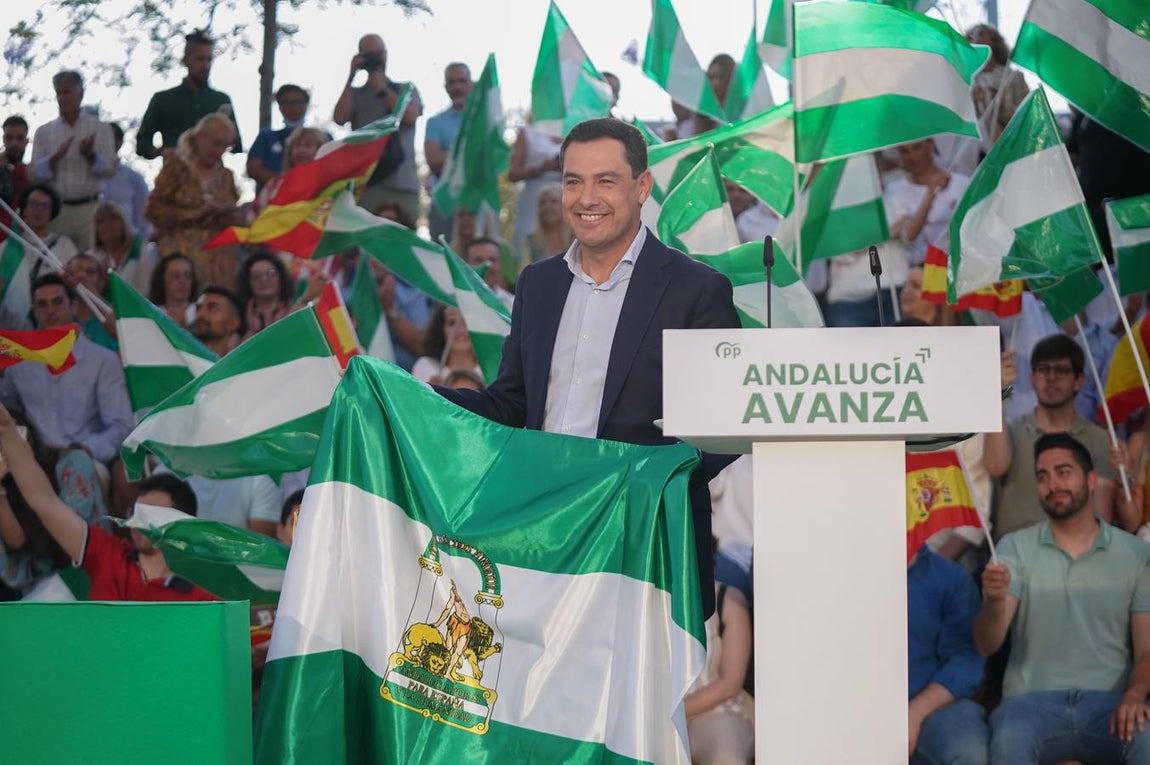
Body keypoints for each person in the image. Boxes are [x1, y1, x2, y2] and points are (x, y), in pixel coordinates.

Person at [436, 118, 741, 616]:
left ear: (641, 187)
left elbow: (724, 429)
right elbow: (510, 404)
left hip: (641, 553)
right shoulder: (537, 284)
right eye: (573, 181)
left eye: (605, 180)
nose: (586, 197)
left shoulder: (696, 290)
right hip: (539, 543)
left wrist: (641, 487)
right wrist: (411, 393)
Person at [975, 433, 1150, 765]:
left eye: (1063, 471)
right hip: (1029, 705)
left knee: (1148, 739)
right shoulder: (1014, 548)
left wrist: (1135, 694)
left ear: (1092, 479)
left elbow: (1146, 652)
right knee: (1009, 741)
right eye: (1042, 476)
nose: (1052, 483)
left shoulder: (1137, 554)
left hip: (1110, 704)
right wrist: (994, 601)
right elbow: (987, 644)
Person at [0, 408, 216, 602]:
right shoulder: (107, 554)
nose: (138, 522)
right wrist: (8, 428)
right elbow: (43, 500)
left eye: (152, 515)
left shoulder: (200, 599)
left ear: (181, 525)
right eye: (137, 512)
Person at [986, 334, 1118, 540]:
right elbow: (995, 466)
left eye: (1061, 370)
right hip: (1014, 555)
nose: (1051, 378)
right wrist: (998, 392)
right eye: (1043, 370)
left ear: (1078, 381)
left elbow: (1102, 518)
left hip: (1076, 556)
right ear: (1032, 378)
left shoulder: (1100, 439)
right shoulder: (1012, 429)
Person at [1, 274, 132, 475]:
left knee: (77, 466)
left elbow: (120, 425)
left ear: (74, 306)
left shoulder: (102, 360)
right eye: (42, 305)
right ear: (34, 311)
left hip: (87, 457)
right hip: (32, 459)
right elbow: (10, 413)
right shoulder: (20, 361)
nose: (51, 311)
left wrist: (85, 449)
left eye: (58, 302)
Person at [0, 412, 108, 598]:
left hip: (85, 574)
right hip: (35, 592)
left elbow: (74, 543)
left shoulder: (71, 464)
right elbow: (15, 567)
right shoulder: (5, 485)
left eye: (16, 433)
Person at [907, 546, 988, 764]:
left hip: (930, 708)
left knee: (968, 750)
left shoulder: (952, 579)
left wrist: (915, 712)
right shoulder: (833, 574)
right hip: (849, 708)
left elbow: (967, 658)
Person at [144, 113, 242, 290]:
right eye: (216, 143)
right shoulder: (176, 168)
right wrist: (194, 213)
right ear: (200, 137)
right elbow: (152, 210)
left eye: (225, 146)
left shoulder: (226, 176)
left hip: (220, 261)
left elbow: (236, 215)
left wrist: (227, 215)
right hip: (182, 254)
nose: (219, 151)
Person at [332, 34, 423, 220]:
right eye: (369, 54)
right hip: (368, 183)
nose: (375, 59)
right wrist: (351, 76)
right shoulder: (356, 95)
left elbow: (410, 117)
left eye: (378, 53)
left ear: (386, 55)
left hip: (402, 184)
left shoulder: (405, 89)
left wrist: (382, 90)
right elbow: (340, 118)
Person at [29, 71, 116, 251]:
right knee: (56, 265)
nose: (62, 98)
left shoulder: (101, 129)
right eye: (58, 93)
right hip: (56, 211)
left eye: (67, 92)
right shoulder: (44, 132)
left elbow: (110, 171)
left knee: (91, 264)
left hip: (90, 210)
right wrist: (55, 158)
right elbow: (34, 177)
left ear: (80, 94)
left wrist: (90, 155)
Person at [685, 565, 755, 765]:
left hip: (716, 712)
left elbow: (730, 684)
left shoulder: (726, 598)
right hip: (649, 718)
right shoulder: (640, 597)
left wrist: (672, 714)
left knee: (725, 753)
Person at [136, 29, 242, 161]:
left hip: (212, 177)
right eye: (199, 59)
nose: (205, 65)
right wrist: (164, 151)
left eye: (209, 60)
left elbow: (236, 144)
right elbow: (142, 144)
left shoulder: (221, 100)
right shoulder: (163, 99)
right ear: (185, 60)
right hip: (175, 175)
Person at [424, 62, 472, 240]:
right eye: (452, 82)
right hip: (445, 203)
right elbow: (433, 160)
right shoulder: (435, 122)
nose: (457, 87)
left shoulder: (484, 121)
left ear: (471, 83)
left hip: (479, 200)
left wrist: (450, 155)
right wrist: (470, 151)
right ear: (445, 87)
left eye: (462, 81)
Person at [965, 25, 1030, 152]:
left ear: (994, 40)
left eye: (981, 33)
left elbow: (1025, 114)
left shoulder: (1013, 77)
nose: (976, 37)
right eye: (971, 36)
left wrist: (998, 100)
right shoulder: (968, 80)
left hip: (1012, 144)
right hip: (978, 150)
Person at [246, 84, 316, 193]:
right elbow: (253, 169)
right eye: (284, 102)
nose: (291, 106)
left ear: (306, 104)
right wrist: (285, 184)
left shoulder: (322, 136)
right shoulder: (266, 137)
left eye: (296, 102)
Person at [508, 117, 563, 249]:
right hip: (534, 196)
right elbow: (512, 173)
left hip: (564, 194)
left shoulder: (572, 129)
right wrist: (540, 169)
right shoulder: (528, 132)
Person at [100, 123, 152, 241]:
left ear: (119, 143)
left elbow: (143, 218)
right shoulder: (84, 179)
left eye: (106, 139)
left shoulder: (134, 178)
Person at [90, 200, 154, 296]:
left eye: (113, 218)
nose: (108, 224)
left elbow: (146, 291)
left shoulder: (140, 252)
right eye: (101, 221)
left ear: (123, 223)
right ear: (96, 230)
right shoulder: (91, 258)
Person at [15, 186, 78, 281]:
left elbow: (75, 277)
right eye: (34, 204)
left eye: (45, 205)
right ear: (24, 209)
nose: (39, 210)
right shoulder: (12, 244)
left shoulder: (64, 244)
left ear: (52, 212)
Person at [411, 304, 481, 385]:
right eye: (452, 323)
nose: (460, 330)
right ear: (440, 329)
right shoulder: (425, 367)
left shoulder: (493, 371)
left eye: (467, 322)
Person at [64, 252, 117, 350]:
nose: (82, 276)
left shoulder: (114, 311)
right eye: (76, 271)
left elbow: (120, 334)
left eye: (90, 272)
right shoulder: (57, 309)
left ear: (101, 279)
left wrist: (89, 290)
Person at [235, 251, 294, 339]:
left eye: (270, 273)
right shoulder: (239, 317)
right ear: (247, 283)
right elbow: (237, 352)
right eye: (256, 276)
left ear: (281, 277)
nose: (264, 279)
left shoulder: (294, 308)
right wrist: (252, 331)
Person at [516, 182, 572, 269]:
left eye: (554, 201)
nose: (548, 207)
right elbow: (524, 271)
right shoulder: (529, 240)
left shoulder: (576, 238)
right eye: (542, 203)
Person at [148, 253, 199, 328]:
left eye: (187, 275)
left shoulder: (202, 314)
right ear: (162, 281)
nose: (182, 281)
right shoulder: (153, 314)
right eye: (175, 276)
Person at [0, 115, 32, 236]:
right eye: (9, 138)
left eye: (20, 138)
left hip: (23, 244)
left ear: (26, 141)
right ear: (3, 139)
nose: (14, 143)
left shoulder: (32, 174)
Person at [190, 286, 244, 357]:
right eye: (198, 308)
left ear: (232, 323)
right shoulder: (179, 361)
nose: (200, 314)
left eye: (212, 308)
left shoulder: (241, 366)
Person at [464, 237, 513, 308]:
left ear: (500, 264)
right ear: (465, 264)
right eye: (479, 260)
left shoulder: (514, 304)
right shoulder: (453, 304)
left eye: (492, 260)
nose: (487, 265)